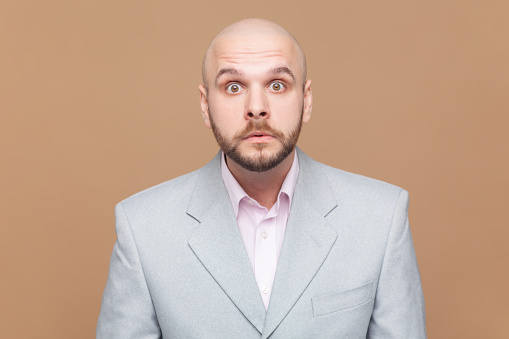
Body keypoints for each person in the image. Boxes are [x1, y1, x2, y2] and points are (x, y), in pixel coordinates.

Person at [97, 18, 426, 338]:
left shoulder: (382, 217)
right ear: (205, 105)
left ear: (306, 100)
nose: (256, 108)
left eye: (277, 85)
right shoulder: (142, 227)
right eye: (234, 86)